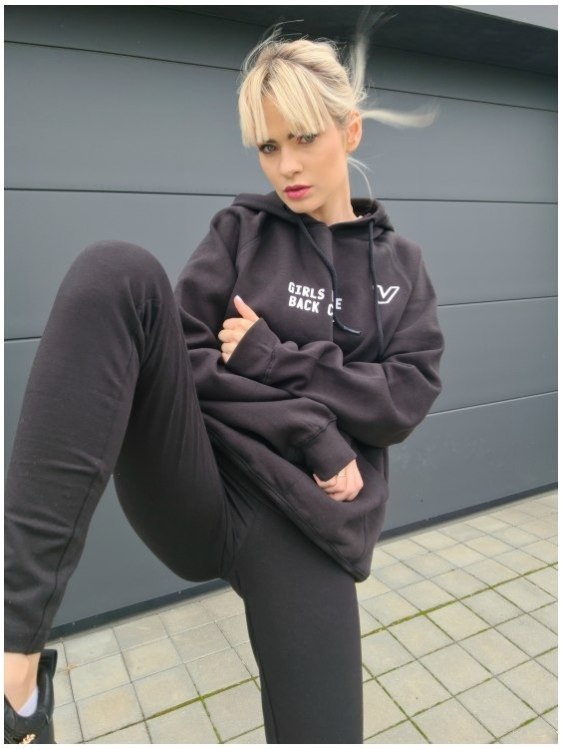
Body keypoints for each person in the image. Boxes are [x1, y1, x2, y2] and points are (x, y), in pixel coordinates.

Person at [4, 29, 444, 744]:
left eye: (303, 138)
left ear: (349, 130)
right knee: (115, 272)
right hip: (201, 480)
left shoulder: (401, 267)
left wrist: (274, 358)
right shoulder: (242, 231)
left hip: (306, 525)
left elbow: (404, 397)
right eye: (268, 146)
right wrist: (312, 428)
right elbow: (187, 355)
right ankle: (15, 682)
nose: (286, 165)